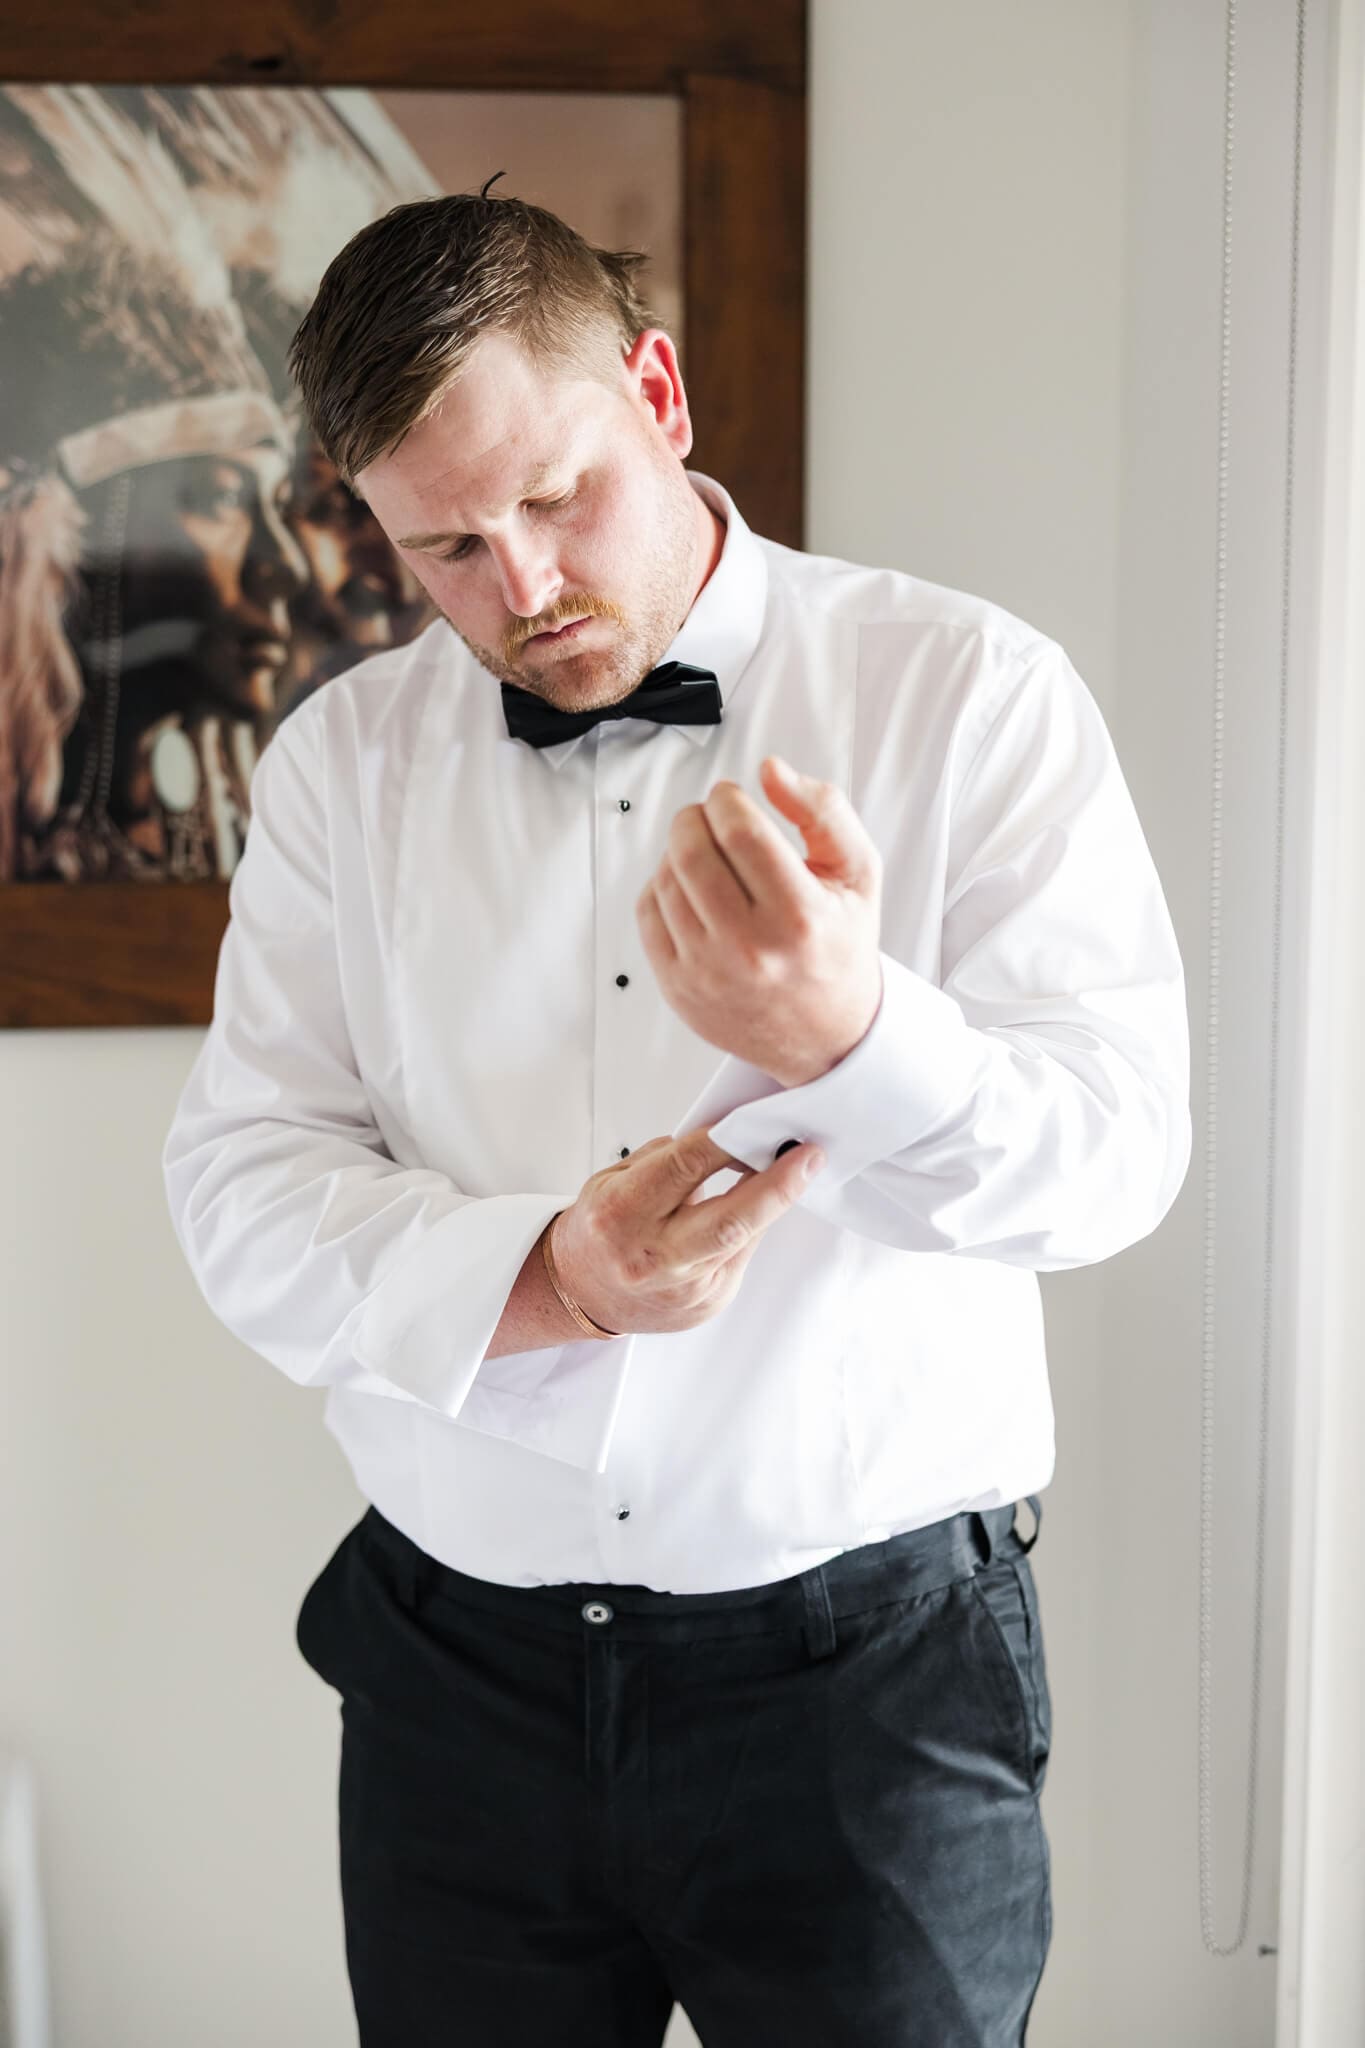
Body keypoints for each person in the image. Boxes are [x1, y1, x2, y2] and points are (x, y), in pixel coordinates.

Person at [161, 181, 1192, 2046]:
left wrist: (853, 1031)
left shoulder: (969, 692)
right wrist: (548, 1278)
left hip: (868, 1689)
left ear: (658, 387)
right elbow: (243, 1183)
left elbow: (1113, 1156)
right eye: (448, 548)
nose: (525, 588)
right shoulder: (341, 766)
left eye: (556, 498)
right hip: (450, 1684)